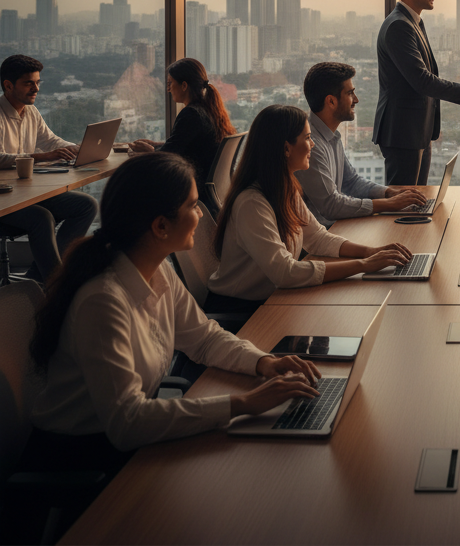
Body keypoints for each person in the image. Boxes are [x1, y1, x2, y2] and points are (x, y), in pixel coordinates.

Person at [28, 152, 322, 470]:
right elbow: (127, 423)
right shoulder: (103, 302)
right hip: (78, 459)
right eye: (193, 206)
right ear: (160, 226)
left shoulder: (157, 270)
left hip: (122, 440)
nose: (201, 214)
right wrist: (244, 404)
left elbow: (204, 339)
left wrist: (263, 362)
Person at [208, 105, 413, 313]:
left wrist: (371, 252)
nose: (313, 144)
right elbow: (285, 272)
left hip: (273, 298)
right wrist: (363, 264)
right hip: (238, 311)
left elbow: (318, 239)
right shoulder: (251, 204)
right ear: (286, 148)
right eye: (307, 138)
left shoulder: (285, 187)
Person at [372, 0, 460, 185]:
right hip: (403, 132)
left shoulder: (412, 22)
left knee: (417, 200)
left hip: (416, 131)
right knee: (403, 207)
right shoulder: (399, 26)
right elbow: (421, 80)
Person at [0, 54, 97, 282]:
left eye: (37, 83)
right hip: (4, 198)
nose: (36, 89)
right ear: (8, 85)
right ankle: (56, 284)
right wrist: (41, 156)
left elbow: (52, 141)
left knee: (85, 205)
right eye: (28, 83)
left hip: (25, 195)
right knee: (41, 218)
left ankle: (41, 276)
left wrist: (78, 149)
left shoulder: (30, 111)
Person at [298, 61, 427, 223]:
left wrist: (388, 193)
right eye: (350, 93)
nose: (356, 100)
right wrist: (387, 204)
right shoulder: (311, 145)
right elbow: (331, 205)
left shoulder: (333, 137)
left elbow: (351, 182)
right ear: (331, 101)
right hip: (321, 238)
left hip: (336, 229)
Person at [129, 58, 236, 191]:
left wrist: (150, 152)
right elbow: (183, 146)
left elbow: (169, 155)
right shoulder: (209, 110)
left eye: (170, 83)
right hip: (215, 189)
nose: (168, 89)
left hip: (193, 187)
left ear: (184, 86)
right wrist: (156, 145)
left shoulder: (191, 114)